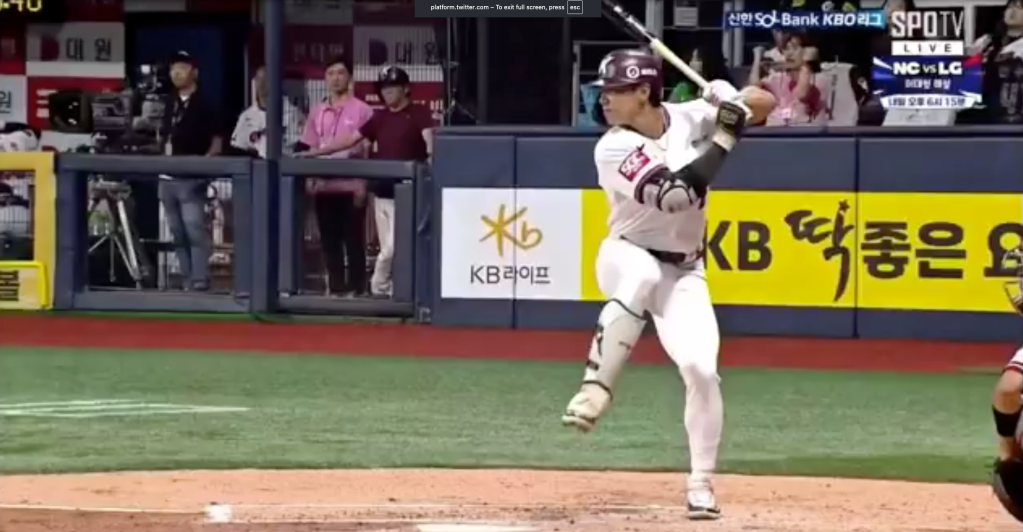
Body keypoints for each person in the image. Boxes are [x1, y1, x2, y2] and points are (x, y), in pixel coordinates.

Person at [560, 49, 775, 521]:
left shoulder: (689, 116)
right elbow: (675, 196)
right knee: (642, 274)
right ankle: (595, 388)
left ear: (644, 91)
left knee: (701, 370)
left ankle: (700, 484)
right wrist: (725, 134)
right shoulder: (612, 146)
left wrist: (730, 98)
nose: (604, 100)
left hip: (685, 270)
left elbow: (766, 104)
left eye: (615, 91)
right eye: (604, 92)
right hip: (625, 254)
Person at [306, 66, 434, 297]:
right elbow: (349, 140)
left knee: (393, 248)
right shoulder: (380, 117)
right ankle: (391, 292)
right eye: (384, 88)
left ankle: (379, 285)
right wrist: (315, 153)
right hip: (382, 193)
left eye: (393, 87)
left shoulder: (419, 112)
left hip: (408, 193)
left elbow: (430, 142)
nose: (387, 92)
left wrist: (432, 159)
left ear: (406, 88)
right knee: (389, 248)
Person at [294, 55, 374, 297]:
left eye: (340, 73)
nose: (335, 78)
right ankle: (337, 289)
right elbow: (311, 146)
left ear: (349, 77)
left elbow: (368, 149)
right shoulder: (317, 111)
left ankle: (357, 289)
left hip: (351, 186)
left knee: (354, 240)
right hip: (324, 186)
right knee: (329, 241)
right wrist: (310, 178)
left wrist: (363, 185)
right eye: (330, 73)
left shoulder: (363, 110)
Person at [159, 51, 223, 292]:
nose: (176, 73)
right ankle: (187, 279)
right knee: (176, 231)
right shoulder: (169, 102)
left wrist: (204, 166)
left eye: (182, 68)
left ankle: (200, 279)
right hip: (166, 176)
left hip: (192, 178)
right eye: (173, 68)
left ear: (194, 72)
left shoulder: (206, 103)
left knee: (194, 228)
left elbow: (217, 142)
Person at [750, 33, 826, 125]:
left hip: (799, 127)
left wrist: (806, 65)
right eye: (786, 49)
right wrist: (757, 58)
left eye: (794, 48)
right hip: (773, 127)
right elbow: (753, 87)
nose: (789, 54)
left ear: (806, 51)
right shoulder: (778, 77)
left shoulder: (814, 78)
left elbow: (801, 94)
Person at [230, 66, 305, 158]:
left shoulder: (292, 113)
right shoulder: (246, 116)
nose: (262, 85)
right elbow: (238, 147)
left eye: (266, 80)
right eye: (259, 80)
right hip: (254, 164)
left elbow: (295, 148)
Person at [668, 43, 733, 103]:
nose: (691, 63)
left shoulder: (721, 88)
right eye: (691, 59)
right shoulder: (683, 88)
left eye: (695, 59)